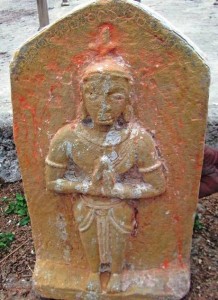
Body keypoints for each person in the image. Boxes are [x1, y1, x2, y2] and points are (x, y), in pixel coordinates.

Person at [45, 56, 166, 293]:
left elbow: (157, 185)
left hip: (119, 207)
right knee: (87, 231)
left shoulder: (138, 139)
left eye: (116, 96)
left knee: (119, 230)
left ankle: (117, 273)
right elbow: (52, 181)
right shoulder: (67, 138)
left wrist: (119, 189)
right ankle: (92, 271)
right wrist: (86, 187)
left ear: (128, 101)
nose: (103, 106)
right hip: (86, 205)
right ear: (82, 98)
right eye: (93, 95)